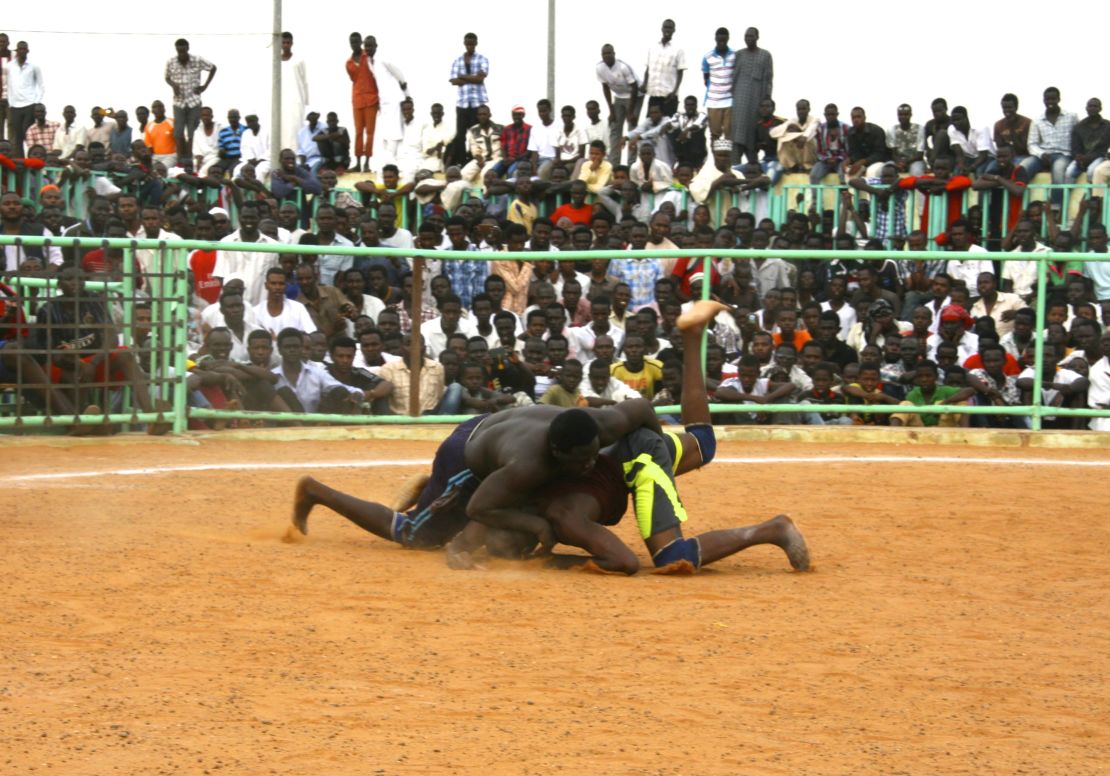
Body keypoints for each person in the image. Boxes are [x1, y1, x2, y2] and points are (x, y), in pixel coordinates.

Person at [291, 378, 664, 567]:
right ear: (555, 452)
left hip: (501, 432)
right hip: (467, 457)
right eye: (579, 461)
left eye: (591, 456)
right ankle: (317, 492)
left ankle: (432, 494)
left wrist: (662, 462)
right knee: (415, 536)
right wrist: (534, 526)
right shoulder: (528, 465)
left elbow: (644, 408)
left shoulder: (602, 424)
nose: (588, 466)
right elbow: (480, 508)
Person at [164, 38, 216, 168]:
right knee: (178, 132)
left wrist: (205, 86)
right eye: (179, 51)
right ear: (176, 50)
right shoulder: (171, 62)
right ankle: (181, 161)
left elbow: (213, 68)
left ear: (187, 48)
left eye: (183, 51)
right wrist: (173, 85)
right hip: (179, 101)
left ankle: (190, 160)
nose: (181, 54)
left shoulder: (197, 60)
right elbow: (166, 77)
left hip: (194, 101)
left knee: (193, 132)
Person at [730, 28, 773, 165]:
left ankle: (753, 171)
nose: (748, 38)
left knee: (752, 139)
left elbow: (768, 80)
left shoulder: (765, 55)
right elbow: (731, 78)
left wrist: (766, 102)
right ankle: (734, 170)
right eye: (746, 36)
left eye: (751, 36)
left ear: (757, 37)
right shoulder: (738, 55)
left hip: (756, 104)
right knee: (736, 139)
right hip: (738, 105)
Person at [447, 32, 488, 168]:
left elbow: (480, 78)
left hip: (478, 103)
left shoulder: (482, 59)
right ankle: (461, 161)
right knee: (460, 135)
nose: (470, 45)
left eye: (472, 43)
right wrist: (472, 77)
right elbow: (453, 81)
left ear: (476, 43)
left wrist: (463, 76)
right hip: (462, 103)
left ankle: (474, 159)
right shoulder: (457, 60)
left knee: (476, 134)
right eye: (467, 43)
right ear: (464, 43)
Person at [596, 44, 638, 165]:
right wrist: (611, 110)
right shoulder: (600, 68)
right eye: (604, 54)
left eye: (609, 53)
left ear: (614, 54)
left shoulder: (623, 67)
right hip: (619, 97)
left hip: (634, 96)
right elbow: (605, 87)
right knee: (615, 129)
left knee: (632, 129)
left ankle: (631, 164)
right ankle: (614, 164)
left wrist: (630, 112)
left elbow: (634, 87)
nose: (607, 56)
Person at [5, 41, 43, 157]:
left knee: (28, 134)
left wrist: (37, 101)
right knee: (17, 136)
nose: (22, 51)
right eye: (20, 49)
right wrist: (10, 102)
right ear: (16, 51)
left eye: (24, 49)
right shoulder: (9, 66)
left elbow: (41, 85)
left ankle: (30, 157)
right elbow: (7, 84)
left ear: (27, 51)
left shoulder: (34, 66)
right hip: (14, 106)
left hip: (29, 104)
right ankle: (19, 159)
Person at [643, 19, 686, 118]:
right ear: (662, 29)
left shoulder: (678, 49)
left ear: (674, 30)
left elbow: (680, 72)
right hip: (653, 94)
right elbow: (647, 69)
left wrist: (674, 92)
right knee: (650, 126)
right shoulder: (652, 48)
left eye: (670, 28)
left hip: (669, 96)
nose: (667, 30)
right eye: (666, 27)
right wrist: (645, 84)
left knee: (667, 128)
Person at [701, 28, 735, 143]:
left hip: (730, 101)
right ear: (715, 39)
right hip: (713, 101)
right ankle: (717, 160)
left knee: (730, 134)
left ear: (728, 39)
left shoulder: (735, 55)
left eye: (724, 40)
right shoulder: (708, 57)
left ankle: (730, 160)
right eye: (719, 40)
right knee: (715, 135)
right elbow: (706, 78)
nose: (721, 42)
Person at [279, 32, 309, 156]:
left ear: (292, 43)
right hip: (280, 99)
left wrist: (305, 101)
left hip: (296, 99)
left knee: (295, 127)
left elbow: (304, 81)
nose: (286, 45)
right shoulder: (276, 60)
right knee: (281, 127)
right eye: (283, 42)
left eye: (288, 42)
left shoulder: (298, 60)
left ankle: (296, 156)